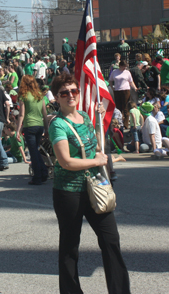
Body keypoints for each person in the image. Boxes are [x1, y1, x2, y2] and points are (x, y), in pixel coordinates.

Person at [48, 73, 130, 294]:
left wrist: (99, 131)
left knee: (111, 240)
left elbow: (93, 146)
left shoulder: (85, 116)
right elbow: (65, 161)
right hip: (69, 192)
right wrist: (95, 160)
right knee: (70, 247)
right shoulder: (57, 125)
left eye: (73, 91)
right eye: (64, 93)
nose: (70, 96)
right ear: (57, 97)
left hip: (96, 187)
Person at [16, 75, 49, 185]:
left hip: (29, 125)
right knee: (36, 150)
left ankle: (38, 176)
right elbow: (45, 113)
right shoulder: (40, 95)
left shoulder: (23, 96)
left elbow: (21, 114)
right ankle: (44, 172)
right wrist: (47, 129)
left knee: (33, 152)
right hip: (40, 125)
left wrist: (18, 130)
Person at [108, 61, 137, 129]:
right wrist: (112, 87)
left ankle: (126, 125)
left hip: (126, 90)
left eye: (126, 66)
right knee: (118, 108)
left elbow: (131, 81)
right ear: (120, 66)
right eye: (124, 66)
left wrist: (135, 88)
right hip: (117, 91)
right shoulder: (114, 72)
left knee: (126, 107)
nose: (125, 68)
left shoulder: (127, 72)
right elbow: (110, 80)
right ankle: (119, 123)